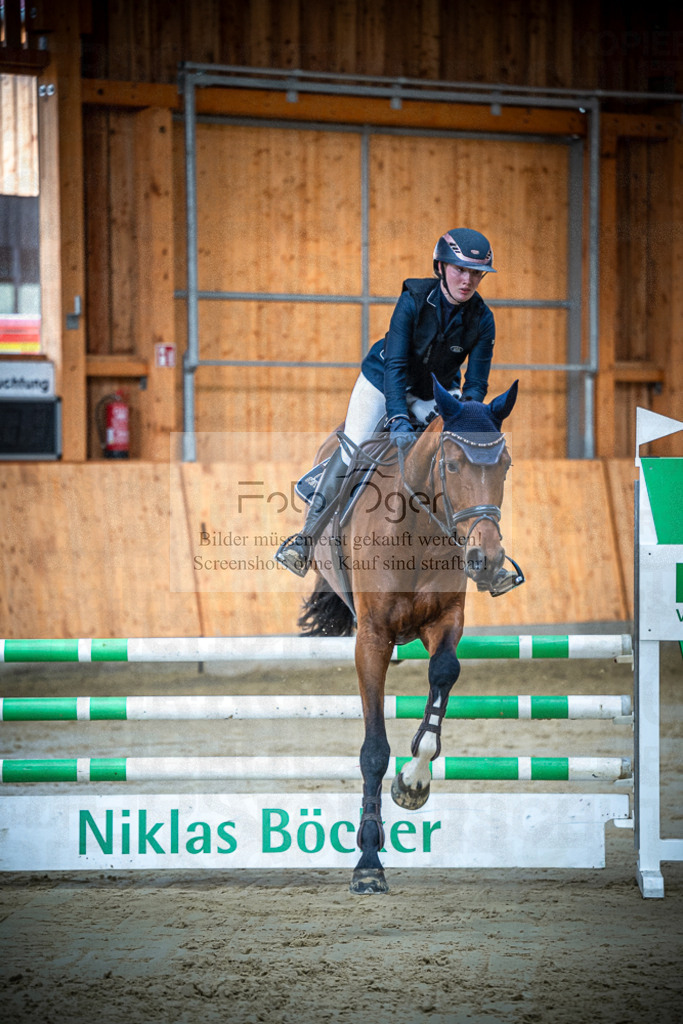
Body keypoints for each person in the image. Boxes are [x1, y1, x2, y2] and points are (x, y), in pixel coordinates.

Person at [276, 228, 518, 593]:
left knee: (460, 461)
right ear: (441, 266)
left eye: (476, 273)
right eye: (459, 270)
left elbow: (476, 385)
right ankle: (305, 540)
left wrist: (468, 422)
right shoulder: (414, 300)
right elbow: (395, 368)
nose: (467, 280)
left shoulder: (483, 319)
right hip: (383, 381)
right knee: (353, 445)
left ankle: (485, 557)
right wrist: (399, 417)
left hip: (435, 392)